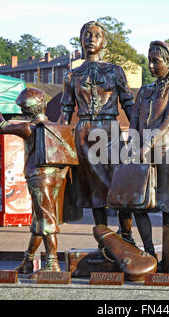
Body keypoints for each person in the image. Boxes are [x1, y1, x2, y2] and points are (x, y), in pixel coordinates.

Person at [58, 21, 134, 236]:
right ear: (80, 40)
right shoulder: (72, 75)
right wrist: (55, 138)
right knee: (94, 192)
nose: (91, 39)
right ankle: (104, 239)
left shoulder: (115, 71)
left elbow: (128, 103)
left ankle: (126, 236)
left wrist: (140, 131)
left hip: (110, 131)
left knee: (120, 187)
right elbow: (65, 111)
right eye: (87, 35)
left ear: (104, 41)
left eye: (96, 35)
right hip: (84, 133)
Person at [0, 87, 67, 274]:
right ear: (44, 106)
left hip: (38, 179)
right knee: (39, 221)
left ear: (25, 111)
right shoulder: (56, 127)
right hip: (54, 177)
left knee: (46, 222)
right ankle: (28, 260)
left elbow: (2, 126)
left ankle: (52, 264)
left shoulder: (28, 128)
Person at [119, 41, 169, 266]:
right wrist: (132, 142)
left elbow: (168, 121)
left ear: (168, 63)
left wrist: (148, 143)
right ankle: (150, 252)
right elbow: (135, 118)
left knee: (167, 203)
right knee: (138, 202)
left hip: (165, 150)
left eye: (155, 61)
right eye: (149, 60)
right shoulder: (145, 90)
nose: (150, 65)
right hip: (141, 150)